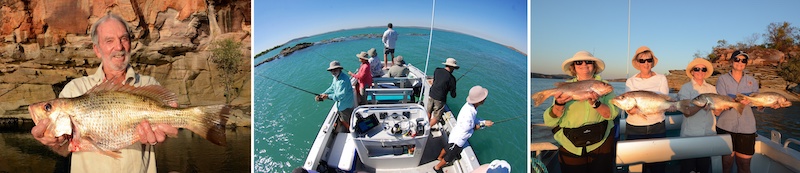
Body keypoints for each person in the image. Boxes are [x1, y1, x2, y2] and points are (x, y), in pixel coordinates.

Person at [30, 13, 178, 173]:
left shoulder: (148, 85)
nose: (119, 47)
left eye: (124, 39)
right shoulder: (74, 90)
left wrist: (164, 137)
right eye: (109, 41)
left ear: (130, 43)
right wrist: (54, 143)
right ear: (97, 50)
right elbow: (65, 149)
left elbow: (165, 138)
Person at [543, 51, 618, 173]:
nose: (584, 64)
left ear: (594, 66)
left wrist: (596, 103)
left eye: (588, 61)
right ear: (574, 67)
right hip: (570, 144)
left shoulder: (605, 88)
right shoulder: (566, 87)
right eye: (579, 62)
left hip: (601, 143)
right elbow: (550, 121)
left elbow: (611, 114)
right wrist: (559, 104)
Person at [716, 50, 770, 173]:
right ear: (731, 61)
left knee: (744, 165)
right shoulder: (722, 79)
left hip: (747, 127)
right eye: (737, 59)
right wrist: (739, 101)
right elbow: (723, 100)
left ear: (746, 63)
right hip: (726, 126)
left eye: (743, 60)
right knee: (726, 163)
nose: (740, 62)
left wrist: (768, 104)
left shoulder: (752, 81)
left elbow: (758, 103)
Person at [624, 46, 668, 173]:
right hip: (635, 128)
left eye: (648, 60)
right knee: (636, 164)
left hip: (657, 126)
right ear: (637, 63)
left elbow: (664, 101)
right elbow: (628, 104)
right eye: (642, 61)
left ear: (652, 62)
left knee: (658, 165)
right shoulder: (631, 81)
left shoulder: (661, 78)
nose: (646, 63)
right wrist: (629, 110)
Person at [433, 86, 494, 173]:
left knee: (447, 147)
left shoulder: (470, 107)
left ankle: (439, 157)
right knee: (449, 157)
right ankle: (437, 167)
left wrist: (484, 122)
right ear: (479, 100)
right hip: (458, 140)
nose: (485, 99)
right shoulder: (469, 112)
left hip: (455, 135)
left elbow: (473, 121)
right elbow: (468, 128)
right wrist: (480, 126)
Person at [677, 58, 717, 173]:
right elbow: (687, 112)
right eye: (697, 69)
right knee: (687, 168)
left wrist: (725, 106)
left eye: (703, 69)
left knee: (703, 168)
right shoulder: (686, 88)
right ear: (692, 72)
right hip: (690, 135)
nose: (700, 71)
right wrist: (701, 105)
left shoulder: (712, 88)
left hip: (708, 134)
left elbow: (717, 112)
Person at [318, 61, 356, 132]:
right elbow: (332, 87)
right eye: (331, 70)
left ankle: (351, 131)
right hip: (341, 105)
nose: (333, 72)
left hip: (345, 106)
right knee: (344, 119)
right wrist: (323, 94)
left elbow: (340, 96)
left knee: (348, 122)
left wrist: (327, 96)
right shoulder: (336, 77)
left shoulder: (343, 81)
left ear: (339, 69)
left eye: (335, 69)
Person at [427, 58, 459, 128]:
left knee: (428, 111)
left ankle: (426, 124)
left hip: (431, 94)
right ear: (452, 67)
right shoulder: (452, 79)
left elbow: (435, 81)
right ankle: (427, 128)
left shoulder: (437, 70)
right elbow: (453, 95)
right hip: (440, 99)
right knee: (437, 117)